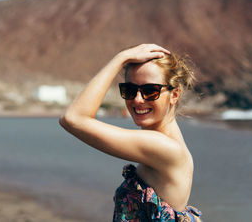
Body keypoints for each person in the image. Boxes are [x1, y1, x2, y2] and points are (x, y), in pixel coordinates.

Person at [59, 44, 203, 221]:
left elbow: (73, 119)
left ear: (174, 95)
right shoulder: (167, 143)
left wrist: (121, 58)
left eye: (150, 91)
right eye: (129, 90)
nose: (137, 99)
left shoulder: (163, 146)